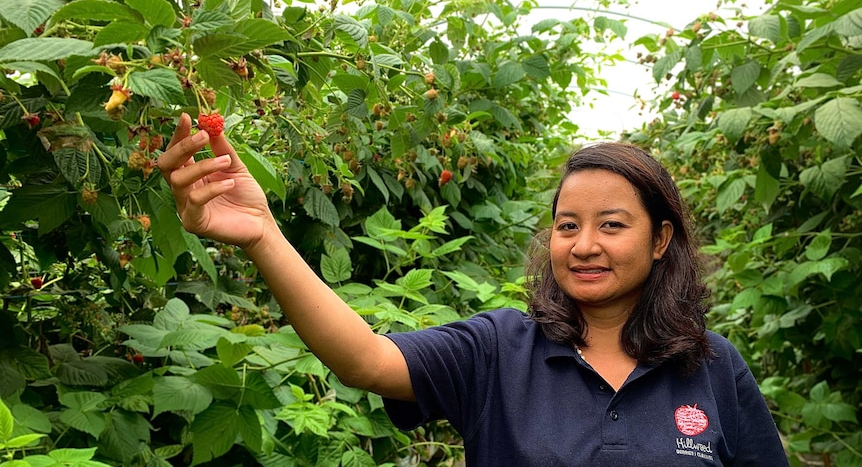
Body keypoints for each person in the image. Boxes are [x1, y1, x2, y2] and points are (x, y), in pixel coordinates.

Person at [158, 114, 789, 466]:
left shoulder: (710, 366)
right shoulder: (500, 350)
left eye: (613, 225)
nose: (585, 244)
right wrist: (263, 234)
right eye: (568, 226)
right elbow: (365, 360)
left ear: (660, 241)